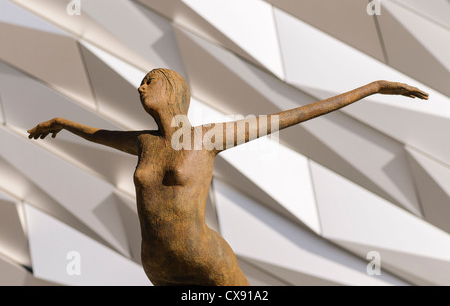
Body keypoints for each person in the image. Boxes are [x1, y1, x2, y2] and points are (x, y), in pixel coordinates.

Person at [27, 68, 428, 285]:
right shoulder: (144, 143)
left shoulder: (208, 138)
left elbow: (296, 115)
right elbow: (95, 134)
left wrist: (373, 87)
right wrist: (61, 122)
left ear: (174, 90)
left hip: (207, 260)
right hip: (158, 267)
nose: (140, 87)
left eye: (150, 80)